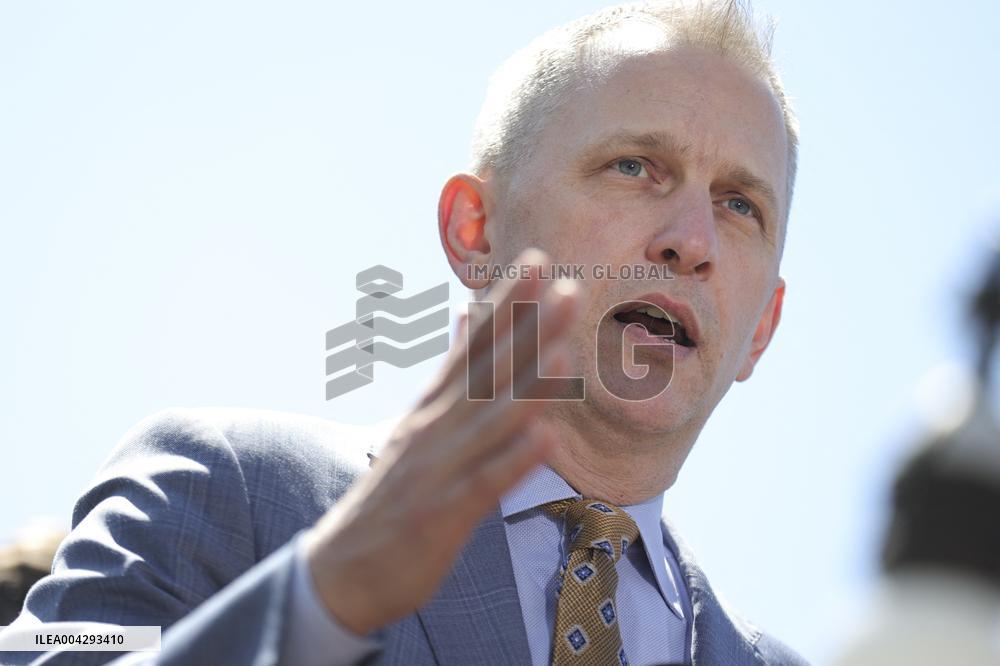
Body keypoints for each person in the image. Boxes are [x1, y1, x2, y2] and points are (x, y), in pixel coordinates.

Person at [3, 1, 808, 664]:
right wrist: (322, 601)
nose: (691, 240)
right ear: (474, 228)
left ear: (762, 330)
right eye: (635, 166)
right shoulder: (220, 487)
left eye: (742, 204)